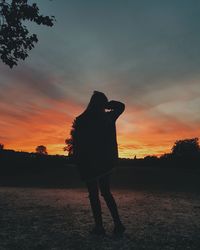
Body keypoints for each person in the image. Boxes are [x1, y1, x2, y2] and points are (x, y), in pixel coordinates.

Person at [71, 91, 126, 236]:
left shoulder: (83, 119)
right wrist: (108, 104)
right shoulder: (108, 117)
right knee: (105, 192)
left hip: (89, 161)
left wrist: (78, 159)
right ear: (101, 104)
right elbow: (121, 106)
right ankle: (117, 224)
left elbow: (76, 141)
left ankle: (100, 227)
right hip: (102, 161)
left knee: (94, 194)